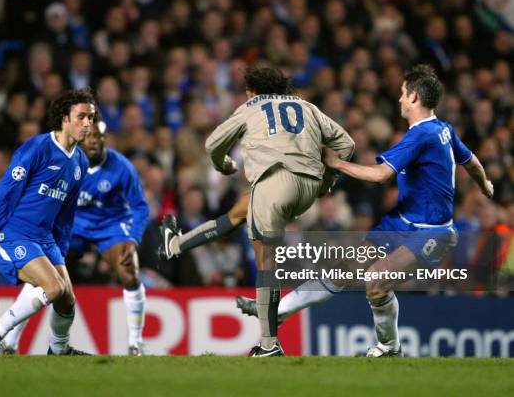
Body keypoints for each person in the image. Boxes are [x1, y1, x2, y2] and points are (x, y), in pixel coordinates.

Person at [237, 65, 494, 357]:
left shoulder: (422, 135)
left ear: (413, 97)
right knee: (343, 270)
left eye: (401, 93)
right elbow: (471, 161)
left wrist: (337, 163)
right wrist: (485, 183)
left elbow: (381, 176)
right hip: (400, 223)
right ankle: (277, 311)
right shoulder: (444, 129)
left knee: (376, 279)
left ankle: (389, 345)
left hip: (434, 232)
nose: (398, 99)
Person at [168, 66, 355, 357]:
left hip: (275, 184)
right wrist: (326, 182)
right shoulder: (307, 106)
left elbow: (213, 143)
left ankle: (268, 343)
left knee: (265, 261)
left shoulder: (251, 106)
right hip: (307, 188)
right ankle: (177, 244)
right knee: (240, 211)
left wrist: (225, 165)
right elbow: (347, 144)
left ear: (253, 90)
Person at [0, 114, 150, 356]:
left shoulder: (122, 167)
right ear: (81, 137)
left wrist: (133, 239)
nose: (95, 141)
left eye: (100, 136)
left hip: (109, 226)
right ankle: (10, 342)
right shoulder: (67, 164)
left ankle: (135, 344)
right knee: (43, 275)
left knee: (129, 270)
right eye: (89, 136)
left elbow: (140, 207)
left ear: (105, 138)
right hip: (72, 226)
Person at [0, 89, 95, 355]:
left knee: (67, 301)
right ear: (65, 117)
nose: (88, 124)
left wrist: (60, 250)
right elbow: (7, 190)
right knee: (53, 287)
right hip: (16, 233)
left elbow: (66, 212)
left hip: (45, 238)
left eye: (91, 118)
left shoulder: (80, 162)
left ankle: (58, 350)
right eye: (82, 117)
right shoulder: (38, 147)